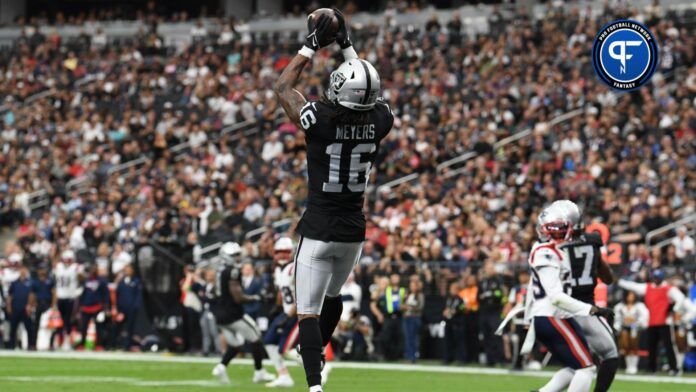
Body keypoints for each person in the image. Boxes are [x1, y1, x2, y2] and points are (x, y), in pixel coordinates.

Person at [274, 8, 393, 392]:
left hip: (320, 226)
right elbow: (365, 87)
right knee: (333, 296)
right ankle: (316, 351)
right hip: (353, 233)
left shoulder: (321, 118)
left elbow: (283, 87)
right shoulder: (380, 120)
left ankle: (313, 385)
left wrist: (311, 46)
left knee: (306, 311)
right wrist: (346, 45)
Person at [525, 201, 614, 392]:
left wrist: (528, 316)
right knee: (587, 369)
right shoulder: (546, 253)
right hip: (553, 316)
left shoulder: (552, 250)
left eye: (560, 229)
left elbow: (532, 287)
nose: (558, 234)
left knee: (579, 365)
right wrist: (592, 309)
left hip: (556, 315)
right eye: (553, 230)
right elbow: (556, 297)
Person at [558, 200, 619, 392]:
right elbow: (607, 277)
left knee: (580, 360)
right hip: (584, 307)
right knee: (609, 355)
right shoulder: (592, 241)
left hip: (560, 309)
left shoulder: (555, 247)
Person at [210, 242, 276, 385]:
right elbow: (238, 297)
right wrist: (257, 297)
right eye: (234, 255)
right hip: (233, 314)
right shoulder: (232, 270)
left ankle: (221, 367)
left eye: (238, 254)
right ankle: (259, 372)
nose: (237, 257)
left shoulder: (220, 270)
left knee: (237, 344)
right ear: (226, 256)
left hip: (219, 315)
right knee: (256, 338)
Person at [618, 269, 686, 374]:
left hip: (665, 322)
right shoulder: (648, 287)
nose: (656, 280)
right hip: (652, 322)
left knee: (669, 346)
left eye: (658, 278)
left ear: (662, 278)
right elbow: (633, 286)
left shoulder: (668, 289)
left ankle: (674, 368)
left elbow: (680, 298)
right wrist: (620, 282)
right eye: (655, 277)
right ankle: (651, 368)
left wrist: (674, 309)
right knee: (651, 347)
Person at [264, 237, 298, 388]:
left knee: (285, 349)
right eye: (279, 252)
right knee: (269, 341)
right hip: (286, 311)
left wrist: (288, 314)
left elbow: (303, 296)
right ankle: (283, 375)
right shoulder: (279, 269)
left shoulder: (295, 268)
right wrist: (278, 307)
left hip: (297, 313)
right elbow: (282, 292)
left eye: (286, 252)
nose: (282, 255)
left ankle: (320, 366)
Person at [74, 264, 110, 349]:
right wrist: (80, 306)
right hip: (86, 307)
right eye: (91, 270)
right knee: (83, 327)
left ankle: (99, 344)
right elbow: (81, 294)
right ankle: (82, 344)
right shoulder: (85, 281)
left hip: (97, 307)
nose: (93, 271)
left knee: (99, 327)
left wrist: (106, 308)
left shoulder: (102, 281)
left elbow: (106, 295)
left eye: (94, 270)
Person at [478, 261, 506, 366]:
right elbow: (478, 296)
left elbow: (499, 294)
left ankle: (501, 359)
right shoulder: (483, 282)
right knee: (486, 336)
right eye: (487, 268)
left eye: (491, 268)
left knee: (496, 335)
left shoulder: (498, 280)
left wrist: (489, 295)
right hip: (484, 311)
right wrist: (485, 296)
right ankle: (490, 360)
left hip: (495, 311)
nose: (489, 270)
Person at [613, 291, 649, 374]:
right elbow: (617, 318)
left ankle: (634, 366)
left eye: (632, 296)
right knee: (625, 346)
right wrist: (618, 326)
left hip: (635, 328)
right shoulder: (620, 306)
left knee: (634, 346)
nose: (630, 297)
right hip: (624, 328)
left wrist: (635, 322)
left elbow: (644, 317)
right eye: (629, 295)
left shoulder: (640, 306)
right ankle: (628, 366)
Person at [53, 249, 81, 350]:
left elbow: (82, 277)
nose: (67, 262)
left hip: (70, 297)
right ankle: (59, 340)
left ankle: (66, 341)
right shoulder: (59, 267)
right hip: (61, 296)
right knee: (61, 320)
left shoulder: (74, 267)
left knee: (68, 320)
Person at [114, 263, 142, 350]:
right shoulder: (121, 282)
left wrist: (135, 307)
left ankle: (127, 345)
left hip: (131, 309)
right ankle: (115, 344)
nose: (127, 271)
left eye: (129, 269)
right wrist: (118, 308)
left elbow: (138, 295)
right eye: (126, 269)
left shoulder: (136, 281)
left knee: (130, 328)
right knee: (118, 327)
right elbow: (117, 295)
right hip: (122, 309)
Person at [7, 266, 35, 349]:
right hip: (16, 308)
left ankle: (31, 345)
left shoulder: (30, 283)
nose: (23, 272)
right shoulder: (14, 283)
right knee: (13, 328)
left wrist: (30, 306)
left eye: (24, 270)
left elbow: (32, 295)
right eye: (21, 270)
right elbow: (10, 296)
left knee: (29, 328)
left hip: (25, 308)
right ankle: (11, 345)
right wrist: (9, 306)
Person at [402, 274, 424, 363]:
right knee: (408, 338)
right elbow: (403, 304)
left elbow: (420, 307)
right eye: (411, 286)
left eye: (414, 286)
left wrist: (409, 308)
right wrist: (403, 307)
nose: (412, 287)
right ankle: (408, 356)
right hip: (407, 318)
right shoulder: (407, 295)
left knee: (413, 338)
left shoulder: (420, 295)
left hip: (414, 318)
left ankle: (413, 356)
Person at [443, 281, 466, 364]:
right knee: (448, 341)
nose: (451, 290)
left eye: (453, 289)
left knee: (459, 342)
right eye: (451, 289)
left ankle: (461, 359)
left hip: (457, 323)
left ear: (457, 290)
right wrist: (445, 312)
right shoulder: (449, 299)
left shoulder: (460, 299)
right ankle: (448, 358)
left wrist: (454, 311)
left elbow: (462, 309)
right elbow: (445, 308)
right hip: (449, 322)